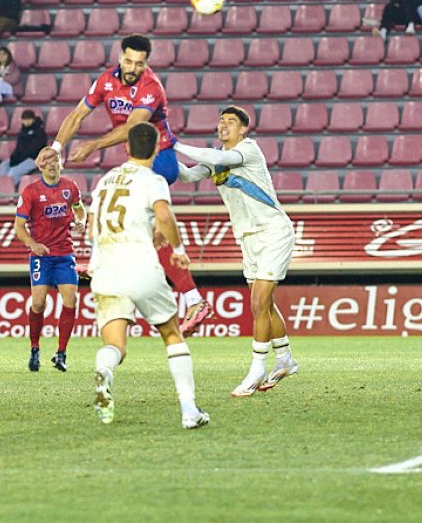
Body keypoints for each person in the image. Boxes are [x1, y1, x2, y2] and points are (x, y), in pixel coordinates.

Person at [36, 34, 210, 336]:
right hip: (139, 161)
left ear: (146, 63)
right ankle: (192, 298)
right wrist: (57, 147)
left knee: (140, 225)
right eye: (128, 61)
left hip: (158, 159)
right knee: (150, 237)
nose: (133, 67)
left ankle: (189, 298)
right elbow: (78, 114)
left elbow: (134, 127)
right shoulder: (105, 81)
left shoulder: (151, 87)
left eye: (139, 63)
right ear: (120, 58)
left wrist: (92, 146)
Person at [85, 123, 209, 429]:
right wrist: (177, 248)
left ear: (126, 148)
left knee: (116, 346)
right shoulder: (153, 180)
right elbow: (164, 216)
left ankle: (104, 372)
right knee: (171, 334)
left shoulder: (105, 181)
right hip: (139, 266)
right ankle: (189, 410)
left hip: (104, 270)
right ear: (156, 150)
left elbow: (91, 229)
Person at [176, 107, 300, 396]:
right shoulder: (215, 158)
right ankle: (285, 360)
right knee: (265, 305)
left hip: (272, 231)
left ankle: (256, 369)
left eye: (231, 122)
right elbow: (187, 176)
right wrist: (164, 156)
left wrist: (177, 144)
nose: (224, 125)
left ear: (243, 129)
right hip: (247, 237)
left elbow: (219, 158)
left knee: (258, 302)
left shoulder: (248, 149)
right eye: (221, 121)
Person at [15, 154, 86, 373]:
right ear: (41, 166)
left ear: (61, 164)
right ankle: (35, 349)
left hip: (64, 252)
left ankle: (61, 353)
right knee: (38, 303)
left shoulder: (70, 187)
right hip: (41, 256)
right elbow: (19, 227)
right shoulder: (31, 192)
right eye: (47, 162)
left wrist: (81, 221)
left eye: (55, 161)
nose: (52, 165)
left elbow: (80, 208)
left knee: (71, 300)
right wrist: (32, 244)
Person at [0, 109, 46, 185]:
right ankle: (3, 186)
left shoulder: (40, 132)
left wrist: (20, 159)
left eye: (28, 119)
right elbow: (18, 148)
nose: (26, 121)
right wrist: (14, 158)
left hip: (34, 159)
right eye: (24, 119)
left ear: (33, 119)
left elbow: (35, 149)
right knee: (3, 166)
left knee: (13, 171)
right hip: (21, 158)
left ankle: (10, 188)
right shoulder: (22, 132)